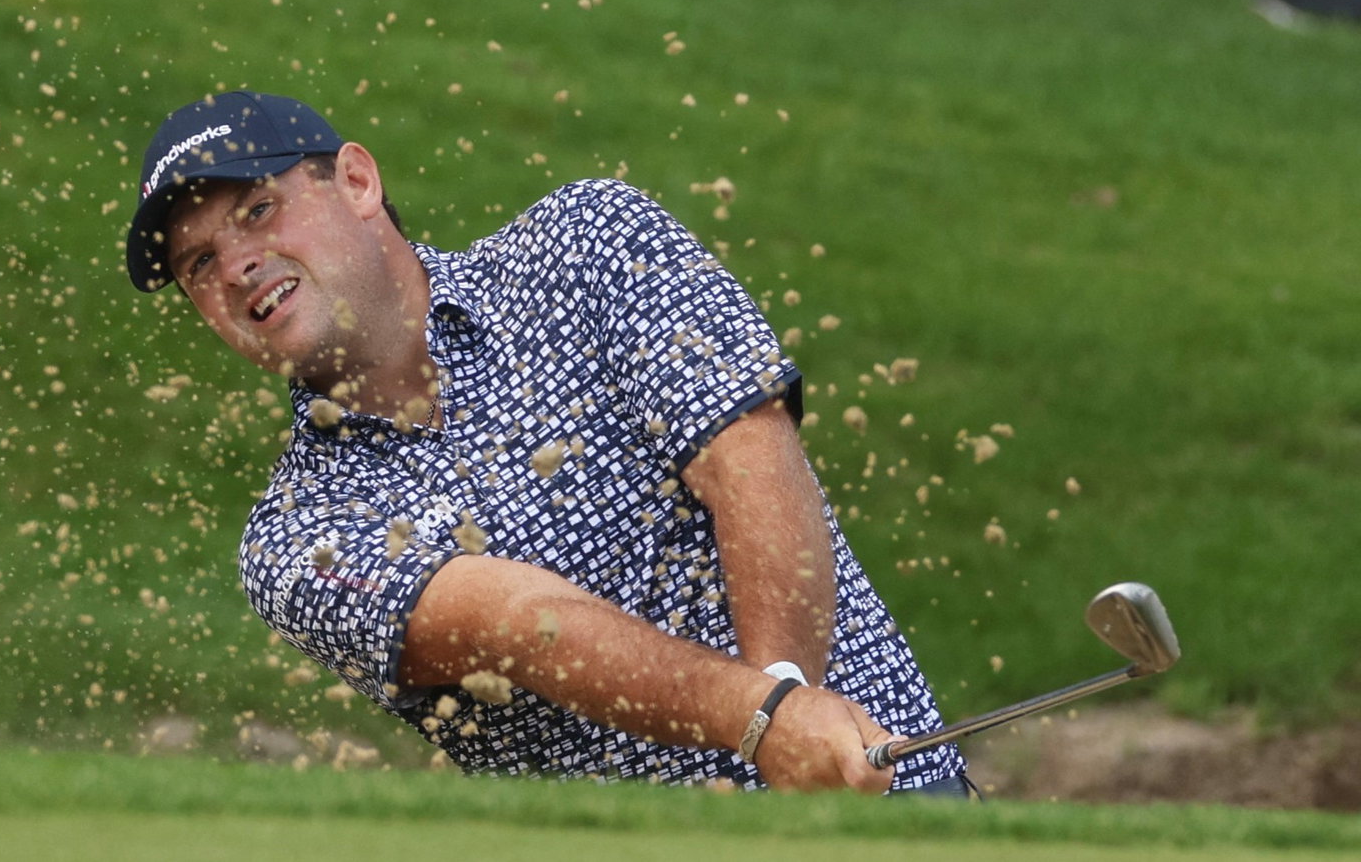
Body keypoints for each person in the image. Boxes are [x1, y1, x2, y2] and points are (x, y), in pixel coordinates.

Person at [124, 90, 972, 797]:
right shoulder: (296, 540)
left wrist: (789, 706)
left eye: (259, 211)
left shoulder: (584, 243)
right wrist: (765, 725)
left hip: (891, 802)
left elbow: (744, 452)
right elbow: (518, 624)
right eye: (199, 264)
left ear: (355, 181)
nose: (235, 266)